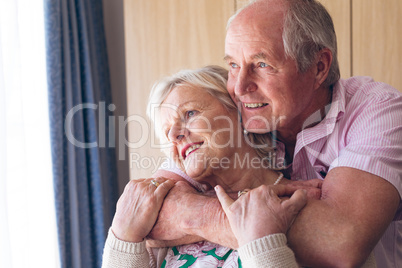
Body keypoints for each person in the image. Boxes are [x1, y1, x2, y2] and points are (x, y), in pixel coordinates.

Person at [145, 0, 402, 267]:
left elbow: (339, 245)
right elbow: (146, 213)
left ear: (319, 66)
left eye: (261, 64)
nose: (240, 87)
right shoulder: (238, 114)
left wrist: (197, 213)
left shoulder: (378, 109)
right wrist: (234, 215)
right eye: (233, 65)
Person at [102, 65, 317, 267]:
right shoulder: (162, 224)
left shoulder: (302, 202)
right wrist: (123, 239)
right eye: (167, 132)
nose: (175, 135)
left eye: (190, 113)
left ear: (240, 113)